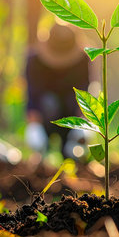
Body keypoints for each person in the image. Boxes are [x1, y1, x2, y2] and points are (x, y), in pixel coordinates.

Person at [24, 23, 90, 157]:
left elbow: (84, 92)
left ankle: (71, 153)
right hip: (45, 114)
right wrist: (34, 126)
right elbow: (32, 93)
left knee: (73, 154)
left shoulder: (82, 60)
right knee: (49, 103)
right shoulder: (34, 61)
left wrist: (82, 125)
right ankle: (41, 154)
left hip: (71, 113)